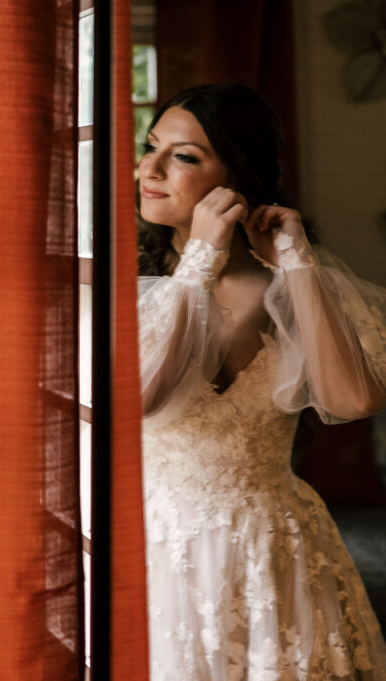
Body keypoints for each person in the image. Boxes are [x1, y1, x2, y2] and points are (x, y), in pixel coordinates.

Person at [138, 83, 386, 680]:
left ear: (236, 176)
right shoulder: (126, 282)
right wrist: (198, 262)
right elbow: (138, 399)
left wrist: (296, 260)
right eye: (150, 147)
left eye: (183, 156)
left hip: (273, 546)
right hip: (157, 548)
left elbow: (353, 399)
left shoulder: (290, 284)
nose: (150, 169)